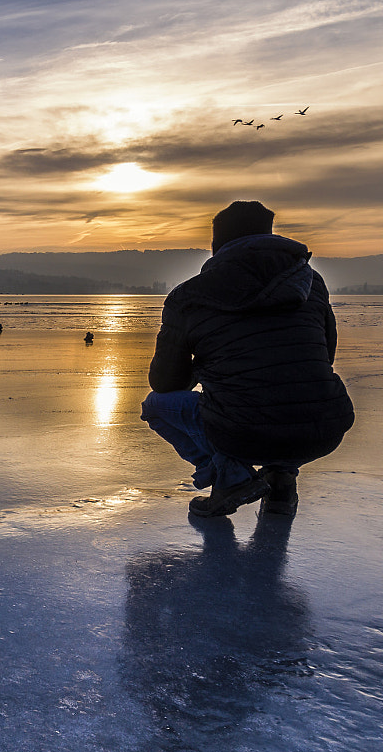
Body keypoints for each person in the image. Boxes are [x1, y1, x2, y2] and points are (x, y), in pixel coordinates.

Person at [141, 201, 354, 518]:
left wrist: (201, 369)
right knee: (286, 387)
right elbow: (326, 355)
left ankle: (232, 476)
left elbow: (165, 382)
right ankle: (281, 482)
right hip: (323, 427)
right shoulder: (311, 284)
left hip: (242, 432)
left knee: (155, 405)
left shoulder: (188, 296)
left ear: (217, 245)